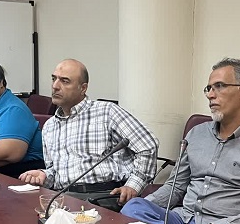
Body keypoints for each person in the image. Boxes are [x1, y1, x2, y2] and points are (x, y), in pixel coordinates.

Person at [121, 58, 240, 224]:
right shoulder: (196, 134)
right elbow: (175, 186)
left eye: (219, 86)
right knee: (133, 208)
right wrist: (146, 206)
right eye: (208, 88)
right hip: (182, 220)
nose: (210, 95)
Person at [19, 59, 159, 205]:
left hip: (105, 196)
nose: (55, 86)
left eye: (65, 81)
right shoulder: (50, 126)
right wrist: (44, 175)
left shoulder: (106, 112)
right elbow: (56, 172)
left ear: (83, 88)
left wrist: (133, 186)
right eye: (54, 79)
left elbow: (148, 145)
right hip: (65, 196)